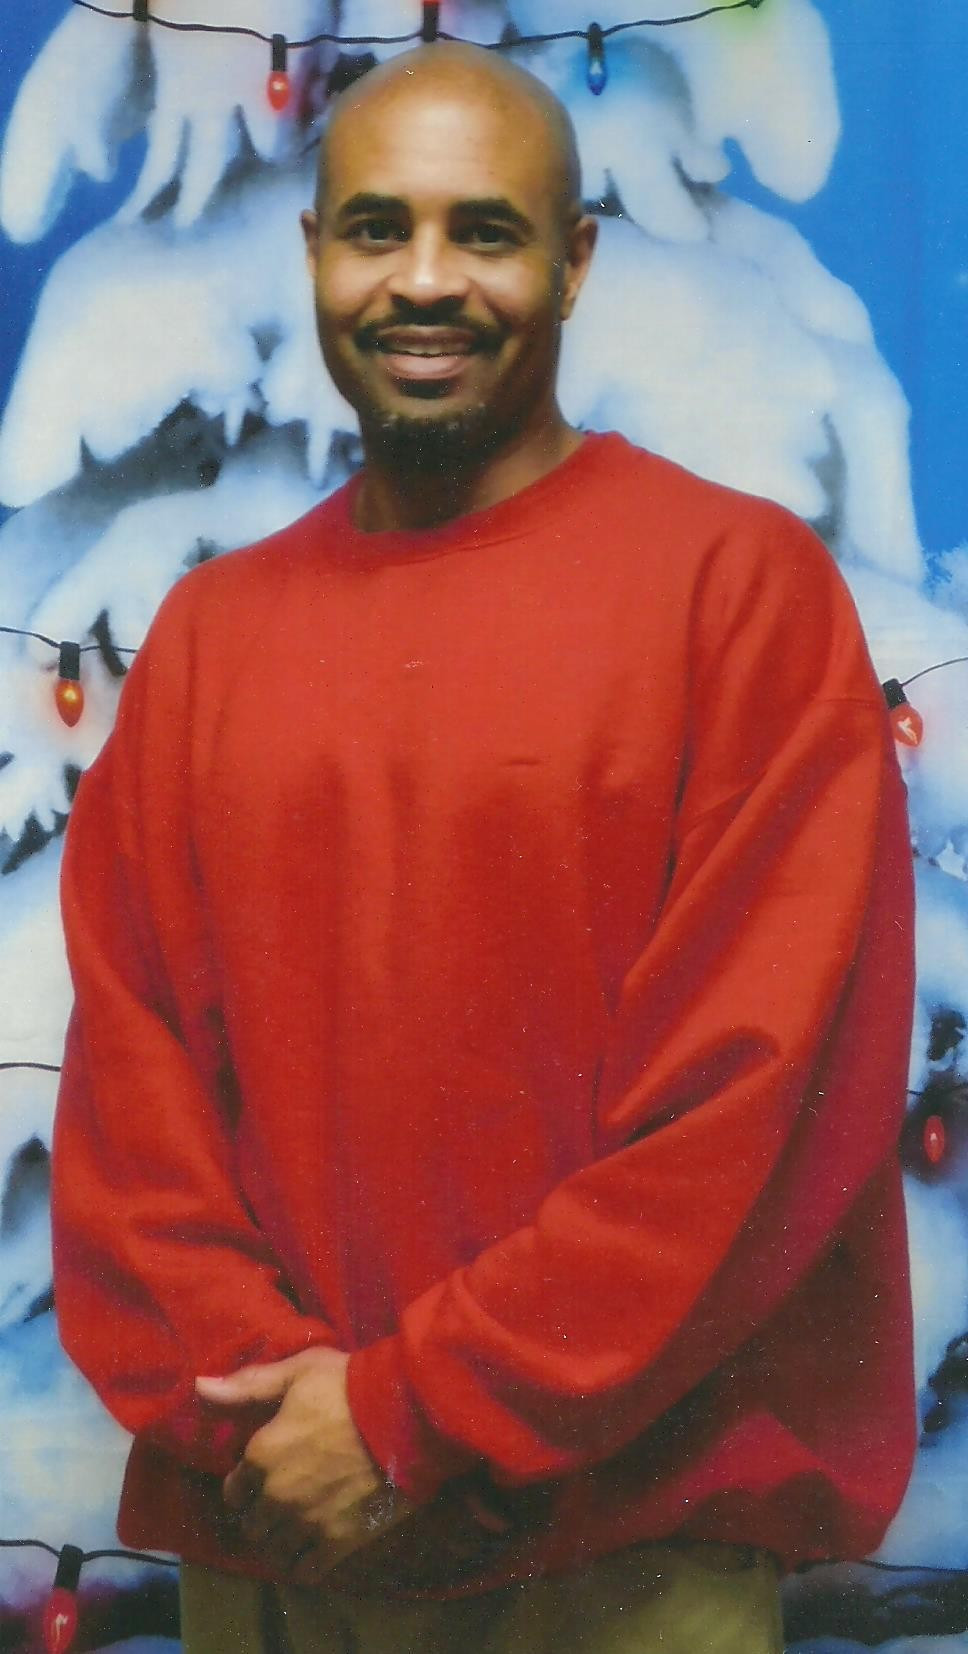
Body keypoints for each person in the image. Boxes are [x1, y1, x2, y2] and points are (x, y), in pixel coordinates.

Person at [51, 40, 917, 1654]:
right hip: (275, 1523)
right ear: (314, 249)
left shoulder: (739, 596)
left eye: (487, 231)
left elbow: (749, 1114)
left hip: (620, 1559)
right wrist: (287, 1414)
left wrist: (412, 1412)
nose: (425, 280)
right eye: (377, 227)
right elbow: (133, 1094)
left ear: (575, 261)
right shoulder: (212, 638)